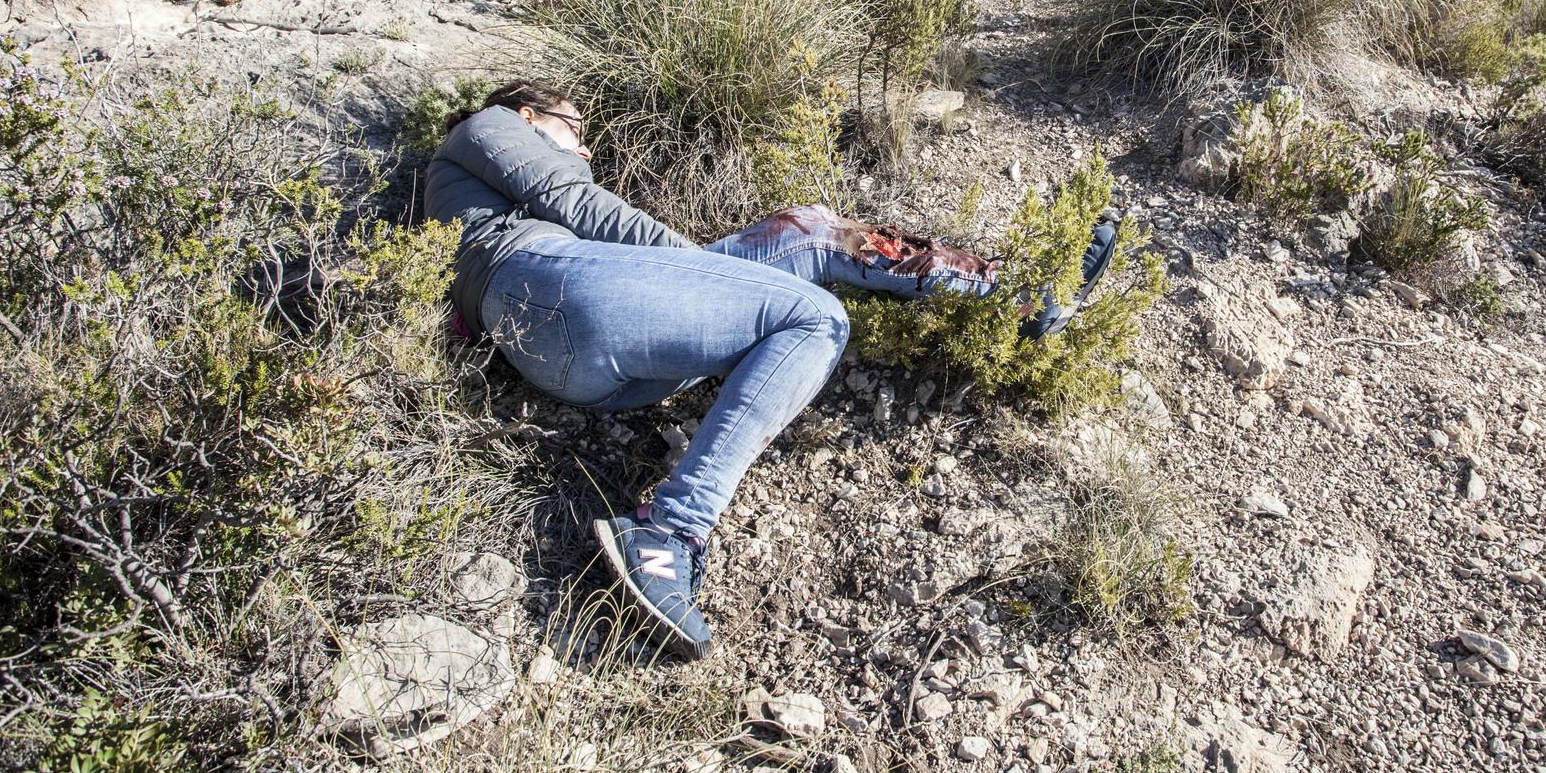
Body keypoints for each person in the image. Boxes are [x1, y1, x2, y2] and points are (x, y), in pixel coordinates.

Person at [423, 82, 1120, 659]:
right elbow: (582, 206)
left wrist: (699, 279)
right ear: (528, 116)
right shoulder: (489, 125)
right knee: (817, 318)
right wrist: (697, 271)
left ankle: (1018, 293)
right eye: (576, 128)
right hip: (549, 286)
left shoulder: (492, 170)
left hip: (594, 338)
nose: (588, 145)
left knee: (811, 229)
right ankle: (669, 530)